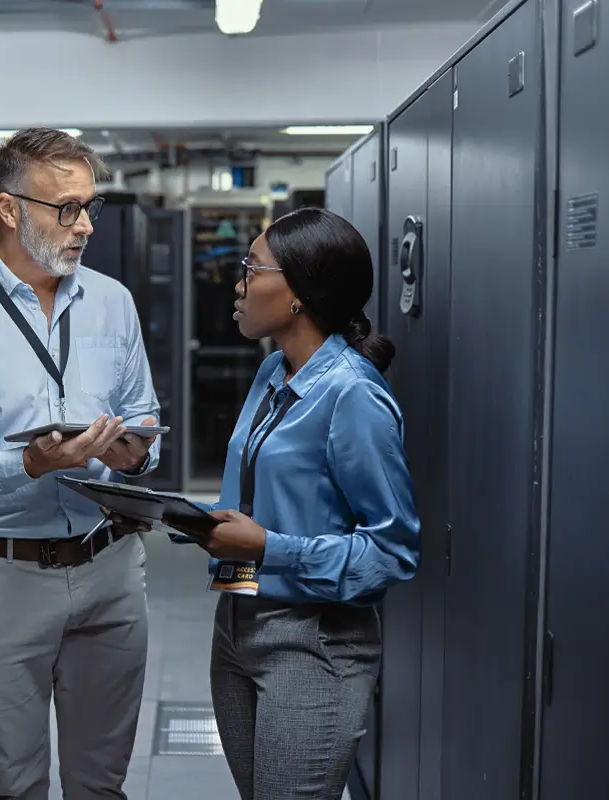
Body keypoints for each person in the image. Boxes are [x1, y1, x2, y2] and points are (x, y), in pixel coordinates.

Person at [0, 127, 162, 799]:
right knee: (16, 785)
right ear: (10, 209)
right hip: (3, 577)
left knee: (101, 785)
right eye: (65, 208)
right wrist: (27, 467)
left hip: (111, 569)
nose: (86, 226)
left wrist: (135, 455)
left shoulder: (113, 302)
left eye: (89, 206)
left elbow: (143, 418)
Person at [193, 207, 420, 799]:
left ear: (299, 294)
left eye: (251, 268)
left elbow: (393, 552)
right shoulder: (274, 370)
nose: (238, 284)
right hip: (238, 622)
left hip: (312, 644)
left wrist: (270, 547)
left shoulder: (353, 395)